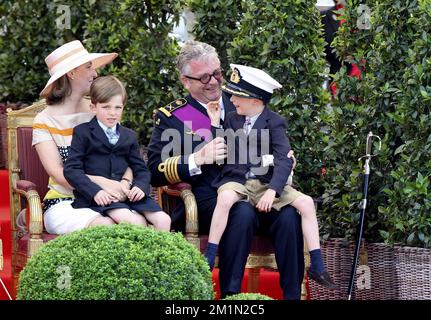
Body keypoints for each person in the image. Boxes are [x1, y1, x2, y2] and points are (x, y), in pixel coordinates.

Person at [147, 40, 305, 299]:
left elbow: (271, 145)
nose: (213, 82)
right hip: (209, 197)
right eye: (203, 77)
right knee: (239, 211)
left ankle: (292, 296)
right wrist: (197, 158)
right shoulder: (173, 117)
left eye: (217, 74)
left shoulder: (244, 102)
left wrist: (282, 161)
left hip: (256, 189)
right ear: (185, 81)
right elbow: (155, 171)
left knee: (288, 214)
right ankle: (231, 297)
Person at [206, 64, 336, 289]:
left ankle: (317, 264)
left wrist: (273, 190)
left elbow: (284, 159)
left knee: (306, 203)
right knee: (225, 199)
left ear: (255, 100)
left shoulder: (274, 122)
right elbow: (224, 148)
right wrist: (214, 121)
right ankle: (209, 255)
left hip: (265, 182)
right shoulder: (232, 120)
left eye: (237, 96)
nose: (232, 100)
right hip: (239, 181)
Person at [33, 40, 131, 234]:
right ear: (71, 73)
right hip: (65, 203)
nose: (95, 73)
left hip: (109, 198)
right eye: (88, 67)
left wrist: (124, 184)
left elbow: (124, 155)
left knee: (139, 223)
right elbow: (59, 173)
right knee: (106, 228)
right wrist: (103, 183)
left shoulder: (100, 110)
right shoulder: (44, 120)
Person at [64, 75, 171, 231]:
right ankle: (140, 256)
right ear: (93, 107)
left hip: (130, 194)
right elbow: (71, 169)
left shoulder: (129, 135)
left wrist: (140, 187)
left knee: (164, 220)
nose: (112, 113)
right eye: (106, 107)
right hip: (102, 197)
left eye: (117, 107)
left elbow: (141, 169)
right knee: (134, 221)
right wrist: (95, 192)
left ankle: (161, 256)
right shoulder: (83, 132)